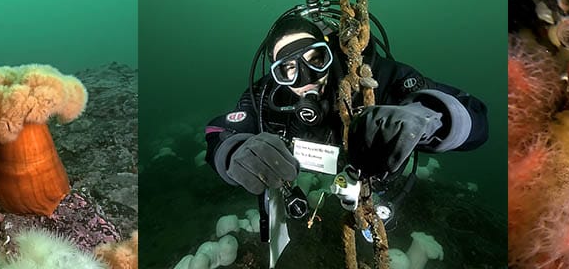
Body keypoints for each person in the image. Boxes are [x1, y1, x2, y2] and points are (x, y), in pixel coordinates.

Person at [203, 12, 488, 197]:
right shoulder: (266, 96)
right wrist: (233, 152)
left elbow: (477, 119)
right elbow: (219, 130)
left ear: (331, 51)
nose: (306, 78)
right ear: (275, 75)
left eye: (315, 59)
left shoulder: (376, 76)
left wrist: (426, 118)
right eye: (287, 69)